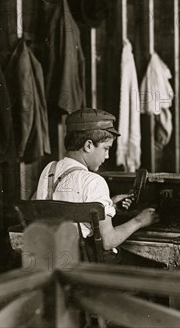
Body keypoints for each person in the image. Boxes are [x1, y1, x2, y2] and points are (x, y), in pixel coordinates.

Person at [34, 108, 159, 253]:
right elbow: (108, 241)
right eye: (106, 149)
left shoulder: (49, 169)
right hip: (87, 263)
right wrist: (140, 221)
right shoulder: (93, 181)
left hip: (54, 255)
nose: (106, 156)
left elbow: (68, 202)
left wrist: (109, 203)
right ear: (88, 146)